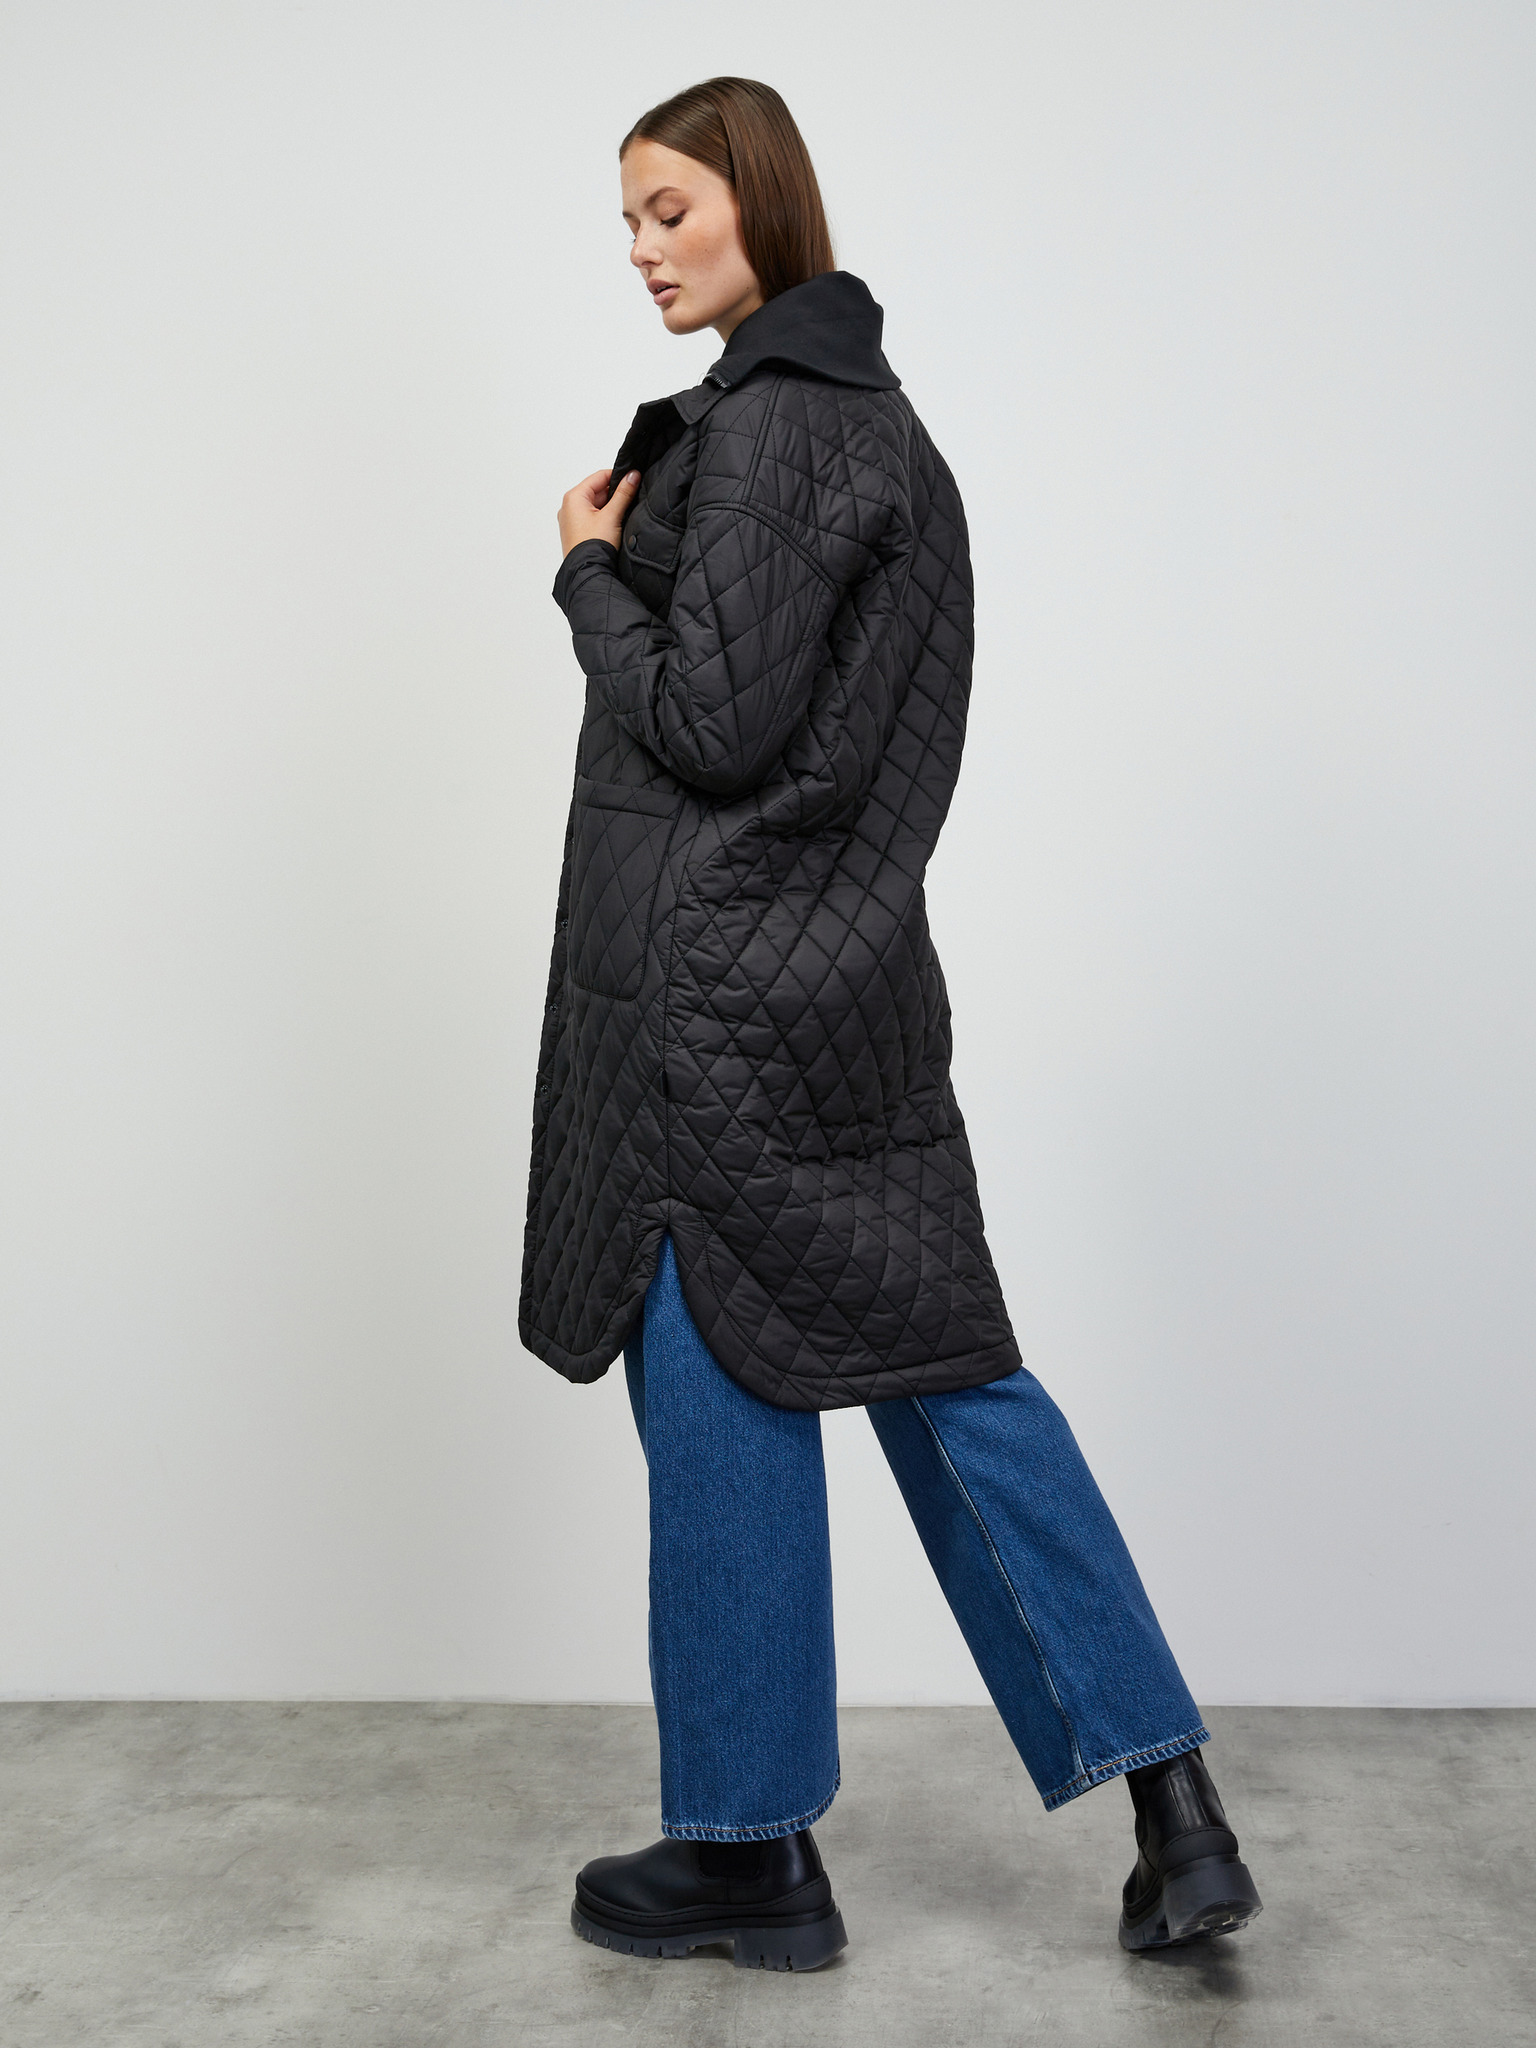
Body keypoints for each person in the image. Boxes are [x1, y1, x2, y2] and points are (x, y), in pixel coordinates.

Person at [524, 75, 1262, 1971]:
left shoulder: (772, 428)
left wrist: (587, 576)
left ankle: (751, 1852)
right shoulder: (876, 422)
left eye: (671, 209)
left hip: (709, 1002)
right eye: (628, 222)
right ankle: (1170, 1806)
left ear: (759, 198)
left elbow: (713, 724)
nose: (643, 251)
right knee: (945, 1375)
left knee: (722, 1378)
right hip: (841, 988)